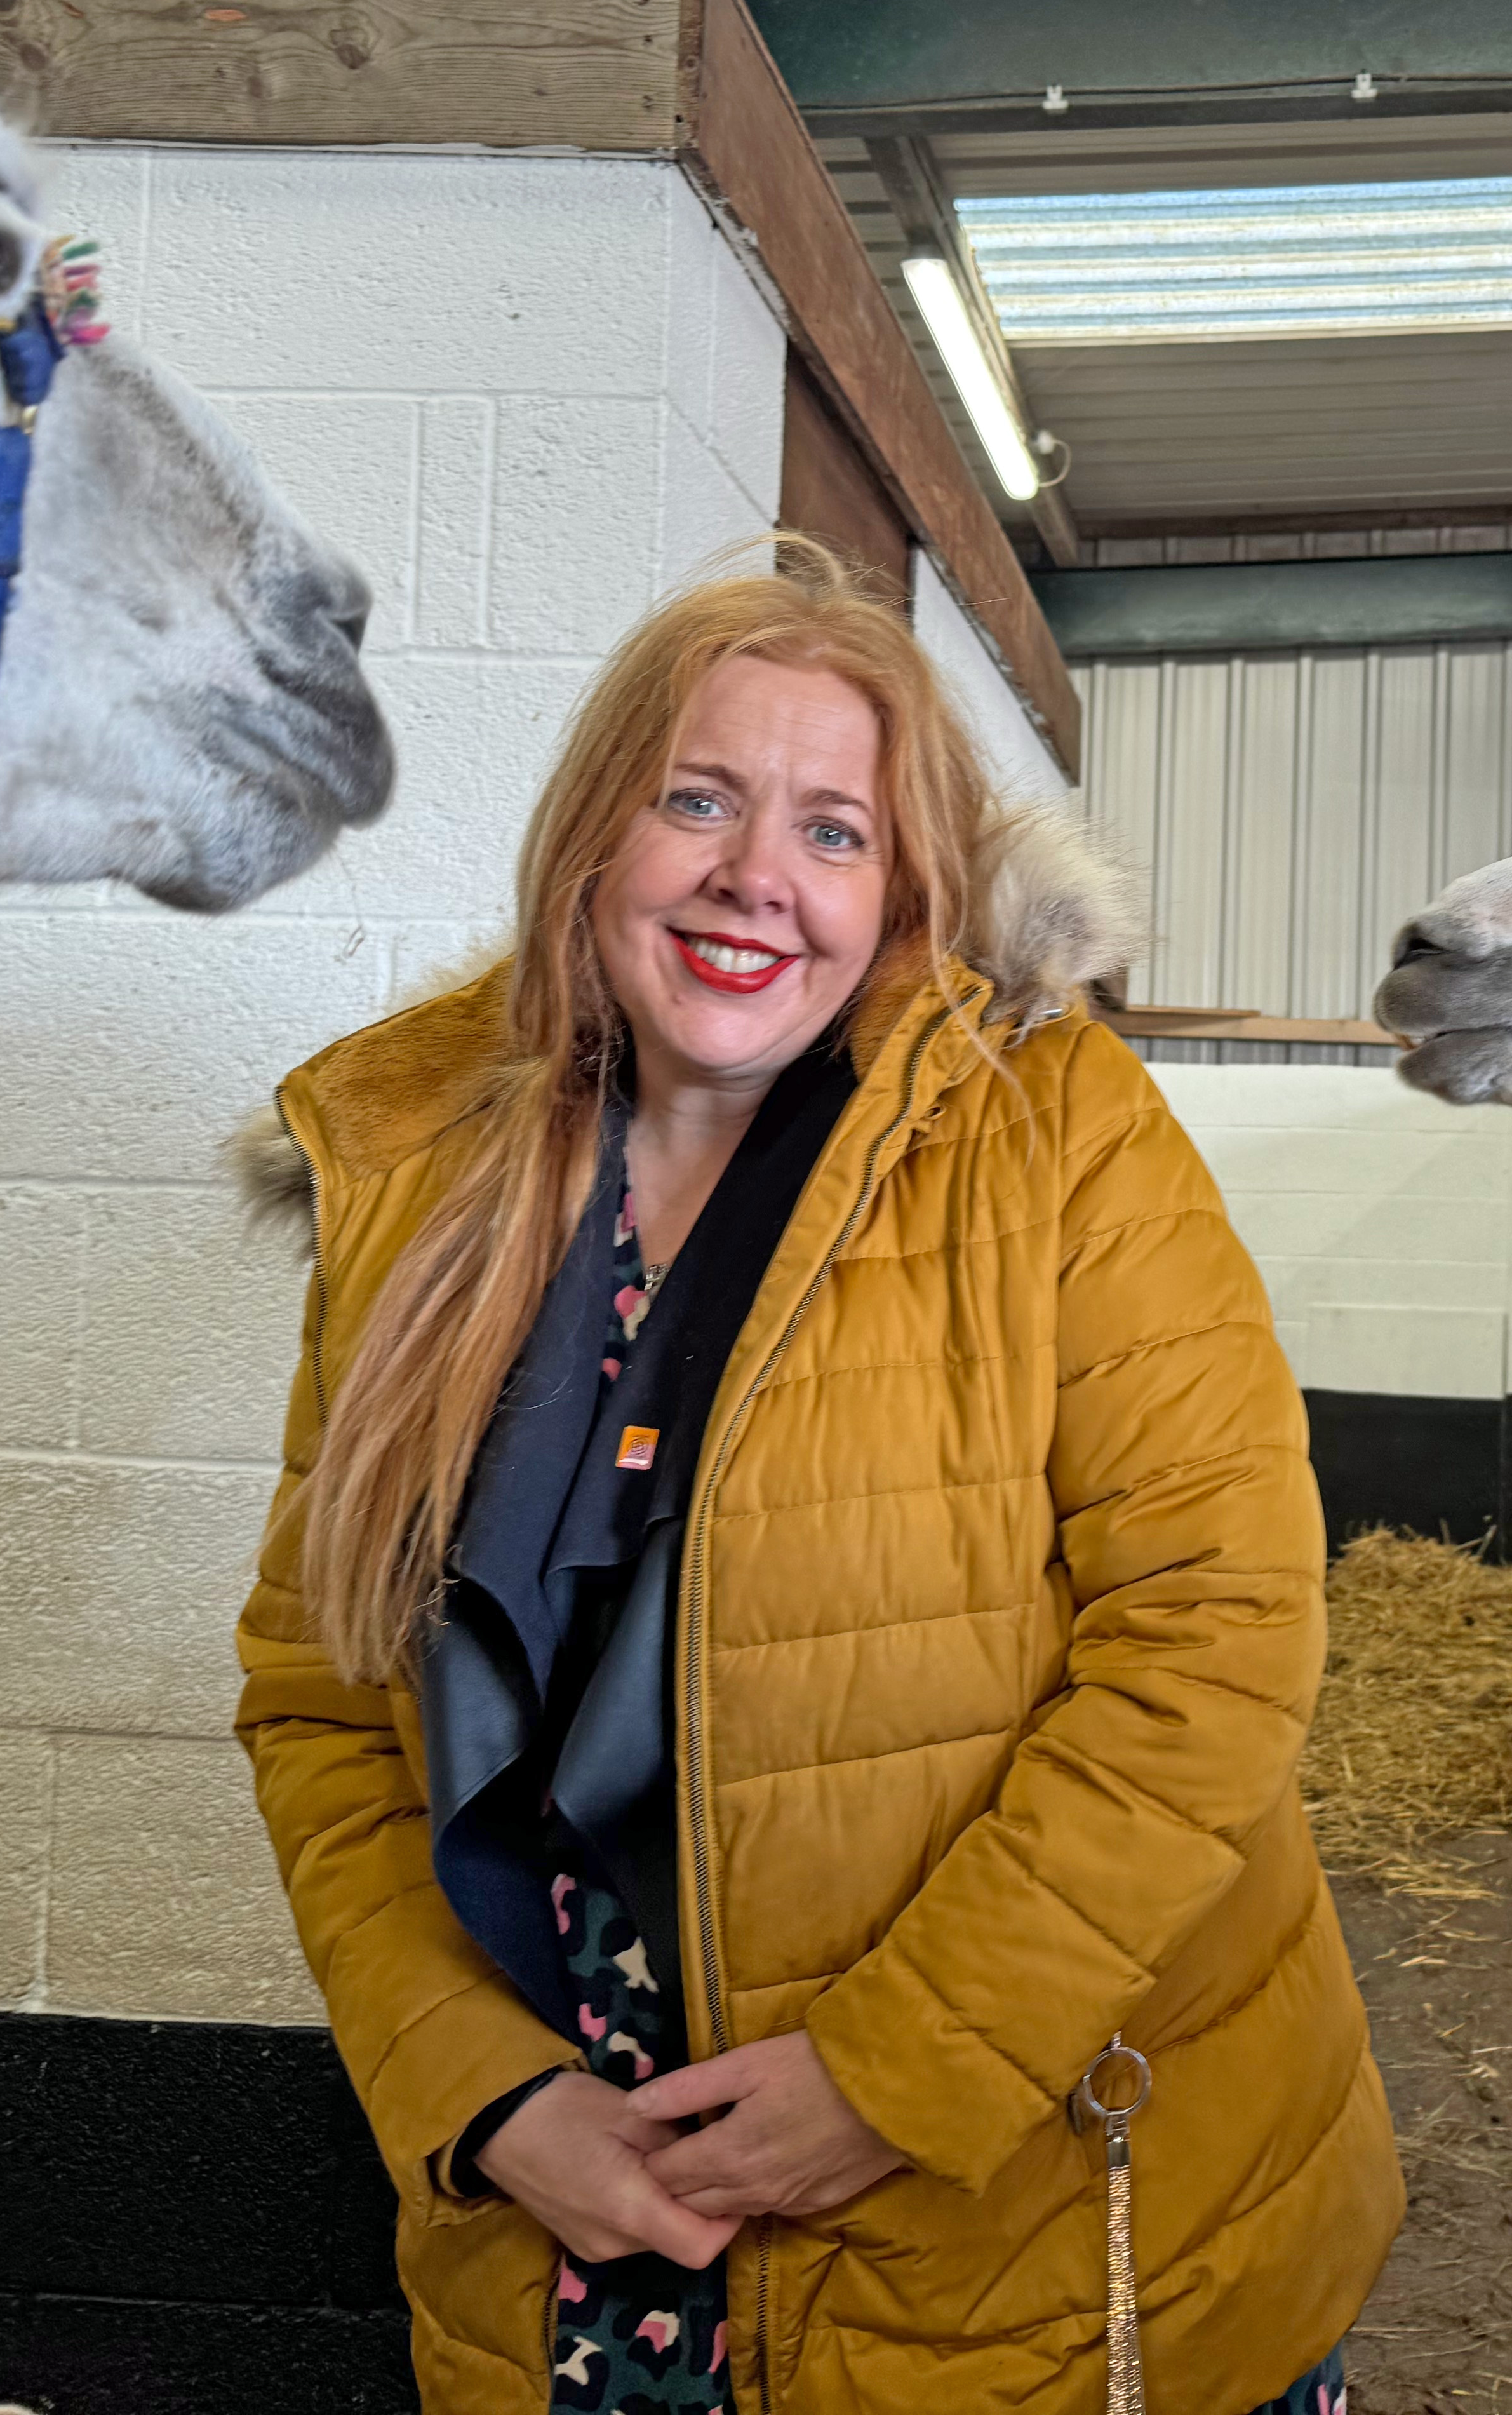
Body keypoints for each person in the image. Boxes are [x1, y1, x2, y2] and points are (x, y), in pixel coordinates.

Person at [233, 551, 1399, 2415]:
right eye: (696, 796)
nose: (751, 872)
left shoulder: (1052, 1138)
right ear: (595, 835)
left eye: (832, 829)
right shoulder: (416, 1200)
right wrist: (481, 2090)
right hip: (580, 2254)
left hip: (1014, 2221)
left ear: (901, 892)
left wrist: (896, 2072)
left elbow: (1216, 1637)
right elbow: (318, 1704)